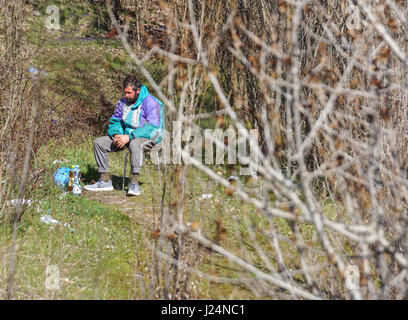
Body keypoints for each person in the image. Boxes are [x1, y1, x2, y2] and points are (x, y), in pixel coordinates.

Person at [84, 75, 163, 196]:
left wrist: (129, 137)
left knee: (135, 144)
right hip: (126, 138)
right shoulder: (122, 102)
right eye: (124, 92)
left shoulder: (151, 102)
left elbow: (153, 127)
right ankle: (105, 180)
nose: (126, 95)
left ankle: (134, 184)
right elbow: (115, 121)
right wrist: (116, 134)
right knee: (99, 143)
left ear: (137, 90)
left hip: (149, 139)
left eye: (129, 93)